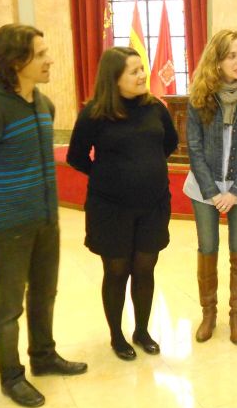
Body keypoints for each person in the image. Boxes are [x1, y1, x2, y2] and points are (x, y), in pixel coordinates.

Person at [0, 24, 87, 408]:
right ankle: (11, 376)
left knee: (45, 293)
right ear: (17, 62)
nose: (51, 59)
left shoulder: (43, 105)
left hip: (45, 220)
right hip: (9, 226)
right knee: (9, 305)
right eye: (41, 53)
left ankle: (44, 357)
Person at [67, 47, 178, 361]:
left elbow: (169, 143)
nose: (142, 75)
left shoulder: (156, 107)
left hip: (154, 203)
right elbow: (76, 157)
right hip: (110, 207)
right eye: (134, 71)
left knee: (145, 267)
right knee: (117, 270)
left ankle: (142, 331)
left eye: (142, 68)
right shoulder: (94, 113)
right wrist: (107, 175)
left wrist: (145, 168)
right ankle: (117, 336)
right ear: (114, 79)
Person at [183, 30, 237, 345]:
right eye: (231, 55)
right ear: (216, 61)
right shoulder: (199, 97)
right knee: (207, 249)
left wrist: (235, 191)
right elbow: (194, 147)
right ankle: (209, 314)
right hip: (204, 188)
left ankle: (236, 316)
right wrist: (213, 192)